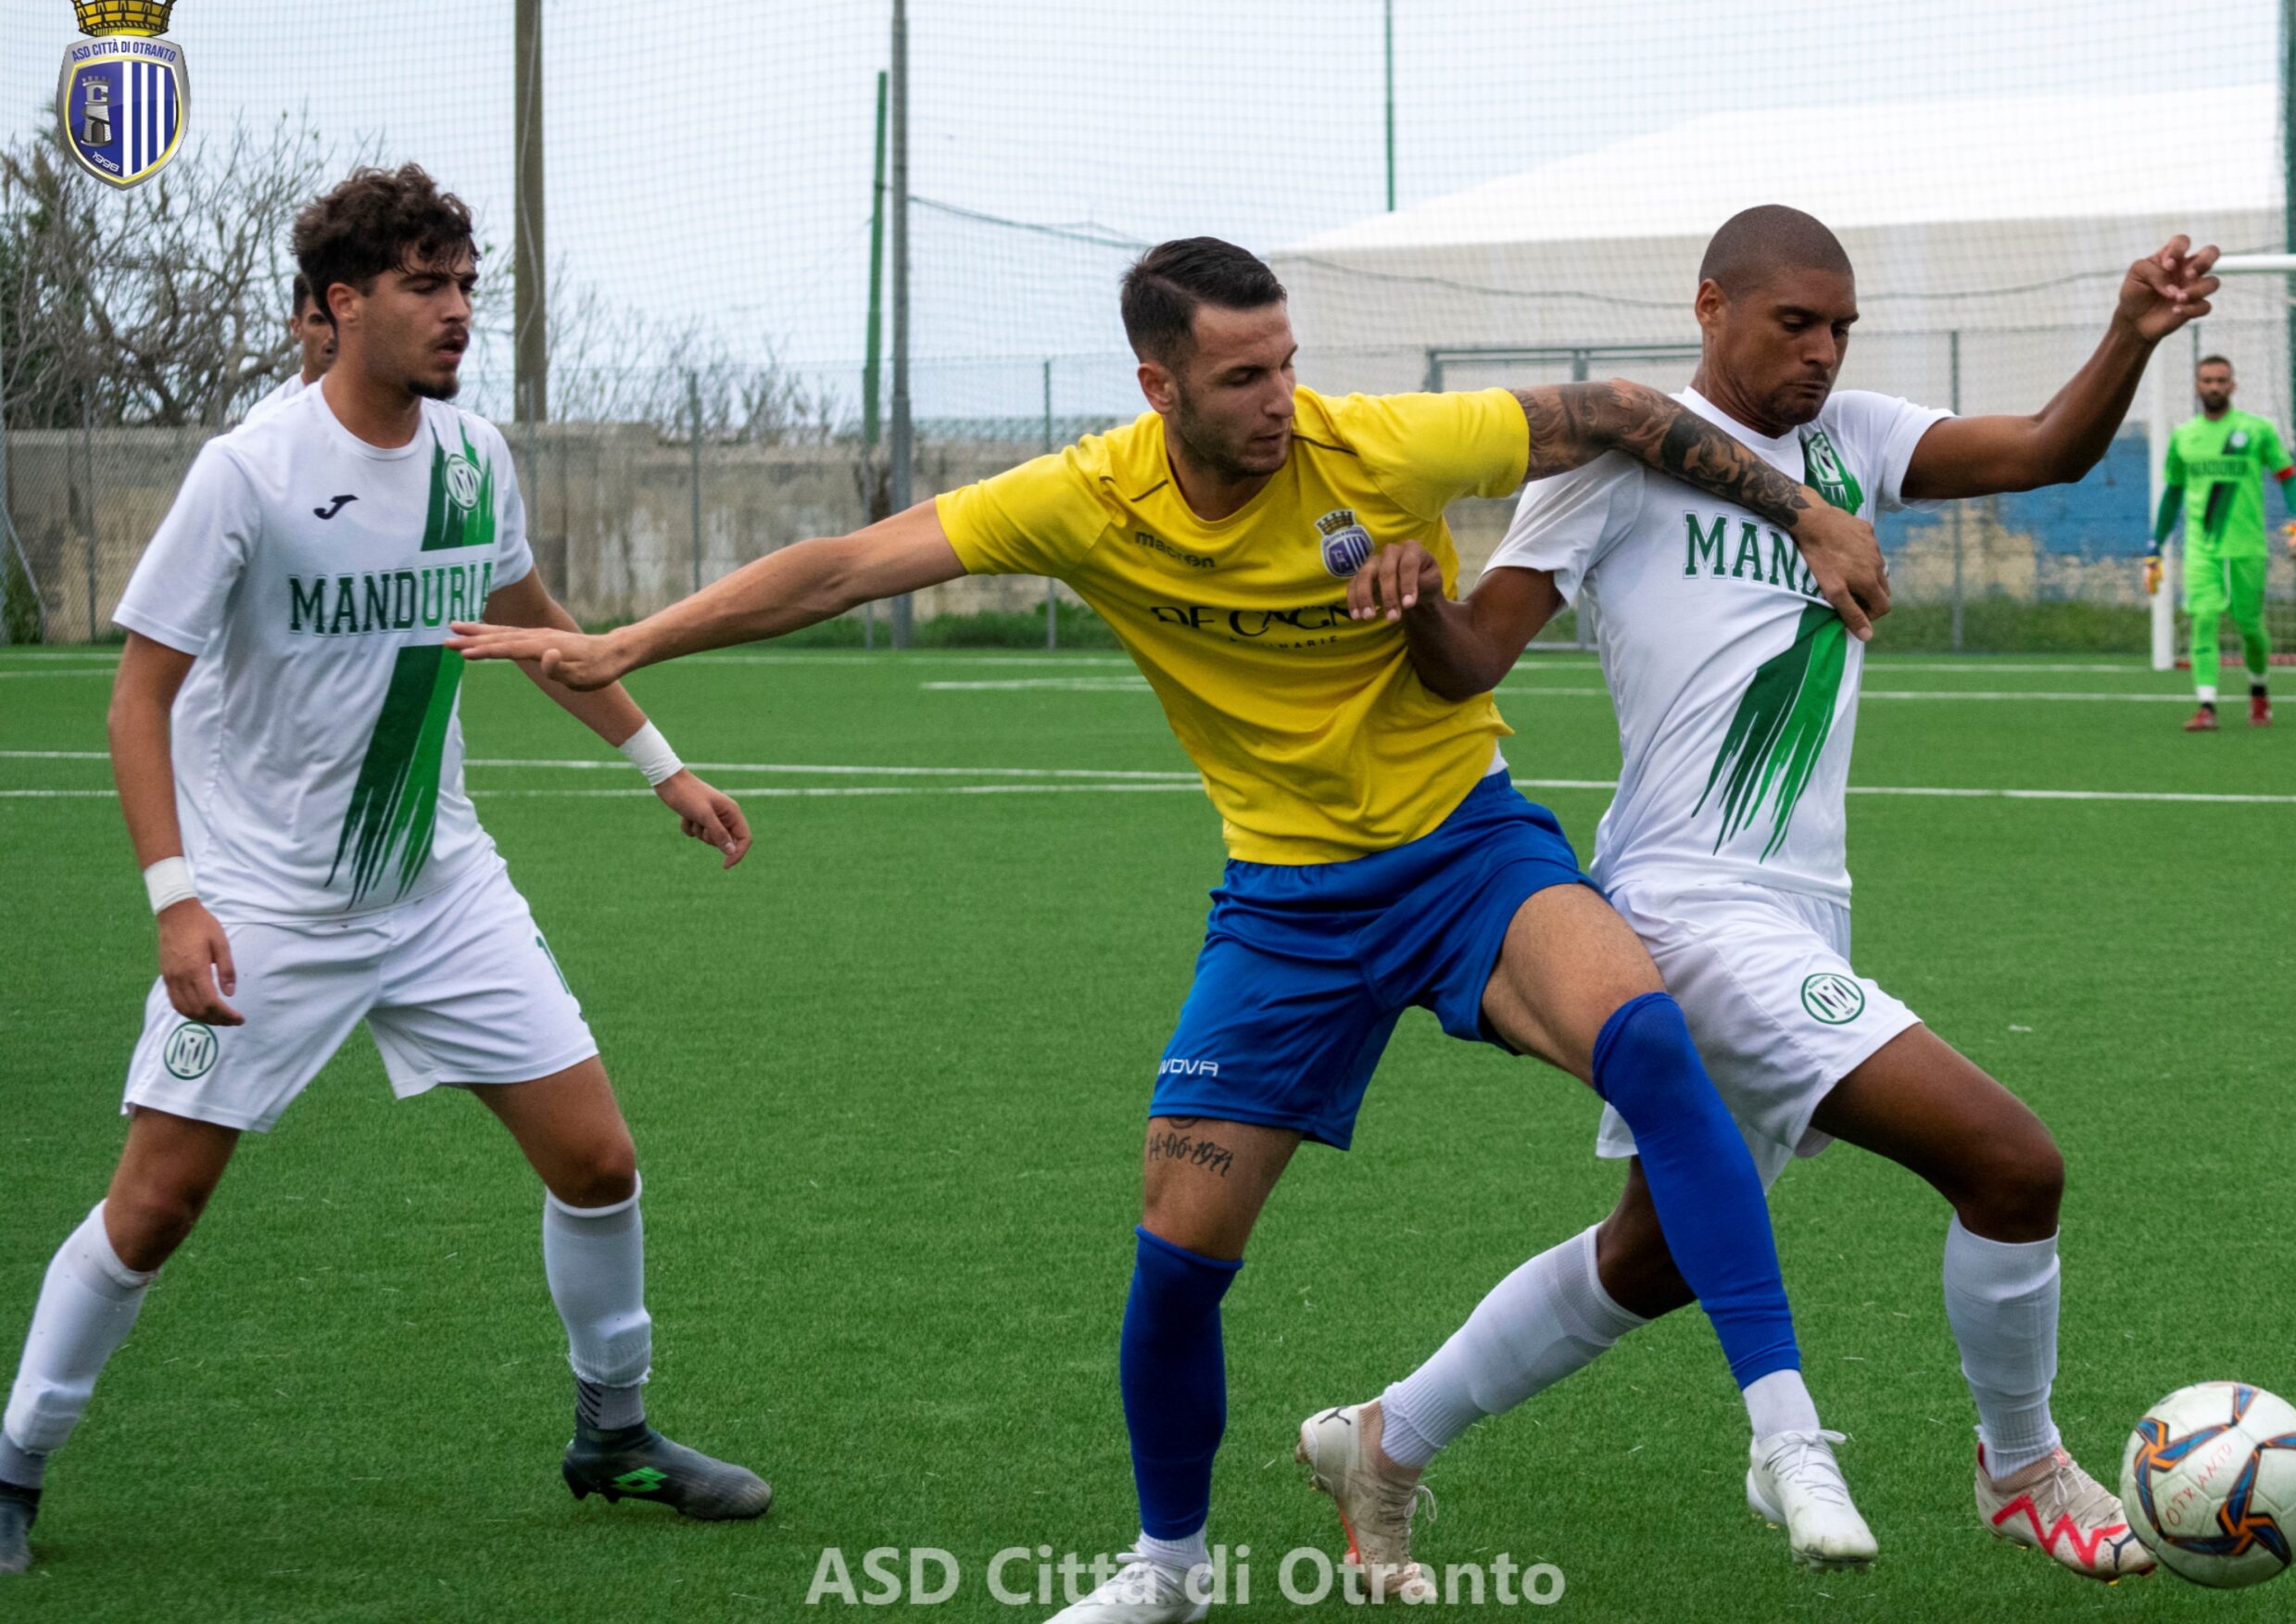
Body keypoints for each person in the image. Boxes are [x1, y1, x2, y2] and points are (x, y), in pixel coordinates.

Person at [449, 235, 1899, 1618]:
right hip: (1283, 911)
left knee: (1649, 1042)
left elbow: (1623, 411)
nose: (1280, 403)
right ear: (1159, 387)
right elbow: (841, 563)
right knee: (1177, 1255)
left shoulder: (1375, 445)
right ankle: (1169, 1566)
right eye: (1242, 380)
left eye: (1285, 366)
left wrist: (1810, 511)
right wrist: (632, 643)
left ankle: (1787, 1440)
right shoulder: (1087, 496)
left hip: (1466, 853)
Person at [1325, 208, 2220, 1584]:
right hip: (1684, 904)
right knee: (2008, 1163)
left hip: (1804, 904)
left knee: (1660, 1255)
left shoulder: (1852, 442)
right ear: (1709, 307)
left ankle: (1388, 1437)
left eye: (1841, 327)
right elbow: (1473, 660)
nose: (1821, 351)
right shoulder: (1621, 462)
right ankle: (2024, 1463)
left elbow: (2044, 449)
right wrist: (1408, 604)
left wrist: (2127, 334)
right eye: (1793, 323)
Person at [0, 164, 766, 1580]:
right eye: (426, 284)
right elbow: (137, 698)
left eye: (469, 284)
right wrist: (179, 902)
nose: (458, 310)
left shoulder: (476, 459)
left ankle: (614, 1432)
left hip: (438, 886)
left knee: (598, 1162)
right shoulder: (250, 470)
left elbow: (534, 622)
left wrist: (663, 765)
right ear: (340, 304)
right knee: (154, 1203)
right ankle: (15, 1460)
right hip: (264, 905)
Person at [2145, 355, 2296, 729]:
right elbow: (2172, 494)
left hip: (2247, 547)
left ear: (2233, 385)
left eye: (2221, 380)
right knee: (2203, 619)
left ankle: (2258, 690)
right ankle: (2207, 706)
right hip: (2201, 549)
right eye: (2207, 380)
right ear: (2196, 386)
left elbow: (2289, 476)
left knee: (2251, 629)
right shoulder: (2184, 436)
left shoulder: (2256, 431)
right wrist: (2155, 546)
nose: (2214, 387)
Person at [244, 272, 338, 422]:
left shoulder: (379, 413)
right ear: (296, 327)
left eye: (338, 321)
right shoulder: (266, 417)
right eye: (319, 321)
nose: (332, 334)